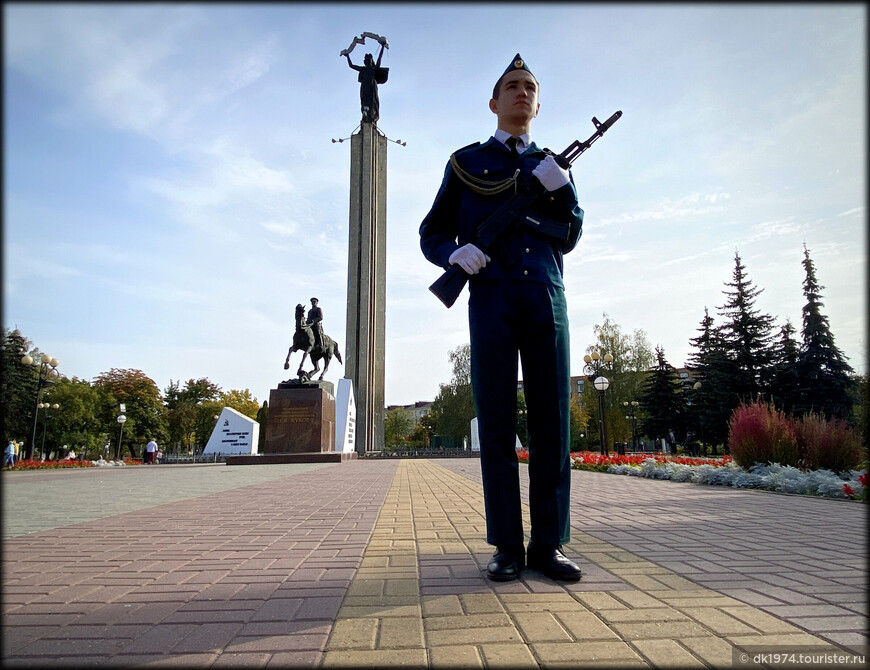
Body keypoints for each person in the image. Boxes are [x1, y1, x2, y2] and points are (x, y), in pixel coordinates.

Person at [419, 54, 583, 582]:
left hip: (545, 298)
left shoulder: (554, 166)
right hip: (490, 297)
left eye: (530, 87)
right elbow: (432, 231)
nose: (521, 92)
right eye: (512, 86)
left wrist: (562, 190)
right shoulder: (466, 162)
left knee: (552, 424)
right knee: (495, 422)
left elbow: (571, 234)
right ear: (494, 102)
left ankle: (548, 545)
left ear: (538, 104)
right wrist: (454, 253)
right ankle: (508, 546)